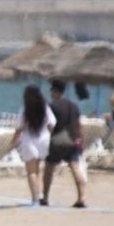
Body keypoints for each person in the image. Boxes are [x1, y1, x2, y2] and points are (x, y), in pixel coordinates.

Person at [42, 80, 87, 209]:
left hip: (59, 141)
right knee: (75, 168)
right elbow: (79, 124)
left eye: (51, 90)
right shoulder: (74, 106)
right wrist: (81, 139)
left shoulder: (51, 106)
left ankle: (45, 197)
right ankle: (82, 197)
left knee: (49, 167)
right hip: (74, 139)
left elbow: (49, 126)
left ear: (55, 91)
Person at [11, 85, 56, 206]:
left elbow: (19, 128)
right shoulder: (45, 107)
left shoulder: (25, 109)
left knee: (31, 172)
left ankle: (35, 198)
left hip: (29, 141)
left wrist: (13, 142)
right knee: (38, 169)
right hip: (43, 140)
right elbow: (52, 124)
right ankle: (40, 194)